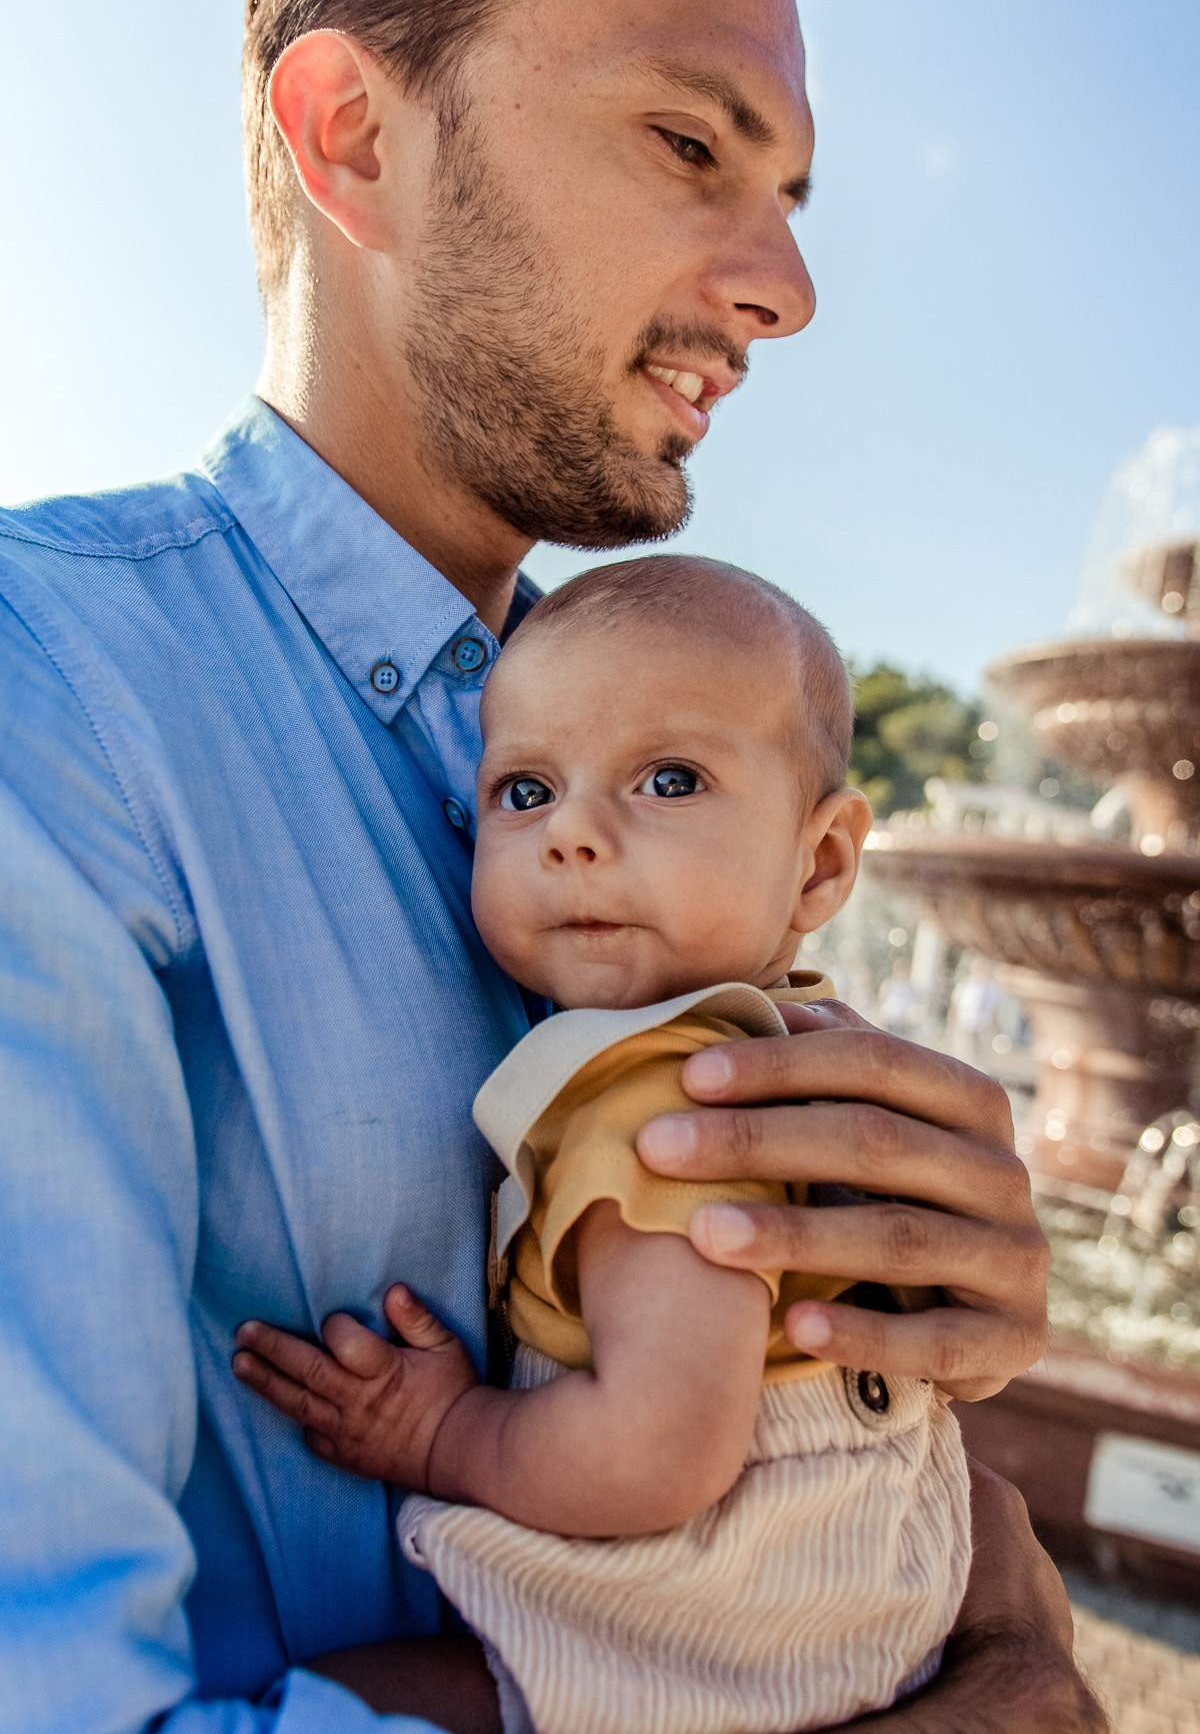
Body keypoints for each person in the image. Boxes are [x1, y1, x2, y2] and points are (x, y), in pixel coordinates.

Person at [0, 0, 1101, 1731]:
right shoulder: (43, 700)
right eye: (691, 144)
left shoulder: (688, 749)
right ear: (353, 135)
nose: (787, 289)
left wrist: (908, 1360)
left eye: (788, 195)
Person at [234, 556, 974, 1734]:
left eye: (669, 780)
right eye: (525, 791)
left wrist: (444, 1432)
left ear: (823, 862)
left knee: (318, 1708)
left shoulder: (665, 1096)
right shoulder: (804, 1044)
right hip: (835, 1605)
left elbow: (657, 1450)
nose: (572, 833)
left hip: (711, 1626)